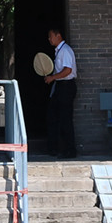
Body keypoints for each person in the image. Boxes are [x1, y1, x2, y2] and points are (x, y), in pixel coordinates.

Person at [43, 28, 77, 158]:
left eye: (51, 36)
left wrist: (53, 77)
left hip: (66, 87)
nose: (49, 39)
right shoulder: (59, 51)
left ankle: (70, 150)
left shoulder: (65, 51)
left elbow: (68, 70)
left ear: (58, 35)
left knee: (65, 119)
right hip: (60, 86)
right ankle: (56, 147)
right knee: (53, 117)